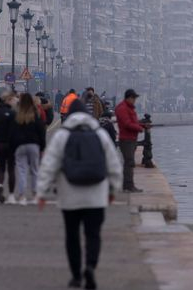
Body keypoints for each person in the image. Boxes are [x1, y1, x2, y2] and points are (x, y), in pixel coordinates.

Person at [37, 99, 122, 289]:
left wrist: (42, 192)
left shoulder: (62, 136)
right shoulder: (100, 134)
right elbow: (114, 164)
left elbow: (49, 165)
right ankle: (90, 266)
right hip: (96, 195)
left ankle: (76, 275)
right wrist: (113, 189)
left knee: (72, 236)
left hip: (69, 196)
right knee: (93, 234)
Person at [9, 93, 46, 206]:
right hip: (34, 145)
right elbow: (41, 131)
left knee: (21, 171)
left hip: (20, 146)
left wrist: (13, 147)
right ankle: (35, 195)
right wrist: (42, 147)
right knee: (35, 170)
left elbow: (12, 133)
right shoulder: (35, 114)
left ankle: (22, 196)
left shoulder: (17, 115)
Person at [115, 89, 147, 193]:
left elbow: (133, 122)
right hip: (126, 140)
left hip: (131, 139)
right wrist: (139, 128)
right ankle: (128, 186)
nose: (134, 100)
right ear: (128, 98)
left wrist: (142, 125)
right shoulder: (122, 108)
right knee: (129, 162)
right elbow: (127, 124)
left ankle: (128, 185)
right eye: (133, 98)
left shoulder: (128, 108)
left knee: (129, 163)